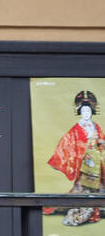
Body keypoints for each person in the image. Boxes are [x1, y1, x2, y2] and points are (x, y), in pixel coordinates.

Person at [42, 90, 101, 226]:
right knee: (83, 190)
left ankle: (94, 211)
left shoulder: (95, 126)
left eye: (88, 111)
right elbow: (67, 143)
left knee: (97, 188)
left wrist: (99, 144)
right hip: (84, 164)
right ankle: (79, 214)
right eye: (84, 111)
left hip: (97, 164)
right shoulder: (76, 129)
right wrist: (62, 159)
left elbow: (101, 140)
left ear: (92, 111)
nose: (86, 113)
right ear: (80, 111)